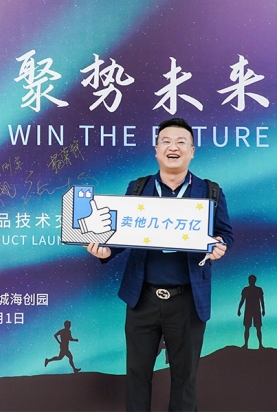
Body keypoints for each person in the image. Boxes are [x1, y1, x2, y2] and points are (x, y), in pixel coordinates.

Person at [86, 118, 233, 411]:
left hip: (188, 301)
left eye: (181, 142)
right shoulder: (139, 188)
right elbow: (122, 233)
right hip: (142, 299)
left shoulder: (210, 191)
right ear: (156, 150)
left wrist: (220, 246)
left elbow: (224, 234)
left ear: (192, 151)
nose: (173, 147)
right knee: (137, 376)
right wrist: (105, 251)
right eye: (166, 141)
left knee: (185, 379)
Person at [238, 274, 265, 349]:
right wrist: (239, 309)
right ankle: (246, 344)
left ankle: (260, 344)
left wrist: (263, 309)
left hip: (254, 310)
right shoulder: (247, 289)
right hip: (250, 310)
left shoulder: (257, 289)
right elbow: (242, 300)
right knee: (248, 328)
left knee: (257, 328)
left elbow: (262, 300)